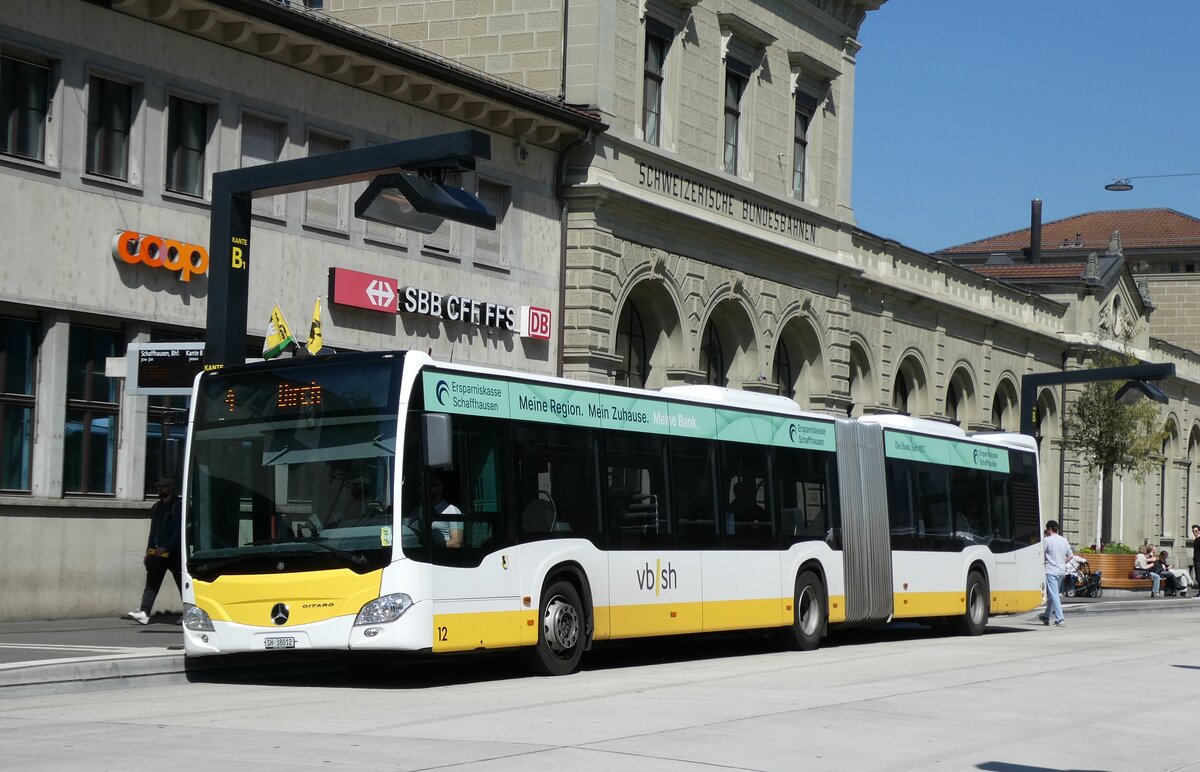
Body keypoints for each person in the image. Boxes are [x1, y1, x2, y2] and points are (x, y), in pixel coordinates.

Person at [125, 478, 182, 625]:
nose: (160, 490)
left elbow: (179, 532)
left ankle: (190, 614)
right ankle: (144, 613)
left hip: (175, 553)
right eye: (159, 488)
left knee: (183, 584)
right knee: (152, 583)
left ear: (170, 488)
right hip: (158, 553)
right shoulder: (157, 507)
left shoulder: (179, 506)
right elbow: (153, 531)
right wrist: (148, 551)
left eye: (163, 488)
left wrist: (167, 547)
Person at [409, 472, 463, 548]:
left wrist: (429, 546)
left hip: (443, 555)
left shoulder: (452, 510)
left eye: (431, 485)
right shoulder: (416, 511)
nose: (427, 488)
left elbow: (456, 542)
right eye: (425, 485)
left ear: (441, 488)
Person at [1039, 520, 1073, 627]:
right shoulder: (1064, 540)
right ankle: (1046, 616)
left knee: (1054, 595)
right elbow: (1070, 556)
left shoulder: (1046, 540)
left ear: (1049, 529)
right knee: (1054, 594)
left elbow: (1040, 554)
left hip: (1051, 570)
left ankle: (1060, 619)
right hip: (1061, 571)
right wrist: (1062, 562)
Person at [1192, 524, 1200, 598]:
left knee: (1199, 577)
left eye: (1196, 531)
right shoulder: (1196, 539)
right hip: (1196, 560)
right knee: (1198, 577)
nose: (1194, 532)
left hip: (1199, 561)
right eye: (1193, 531)